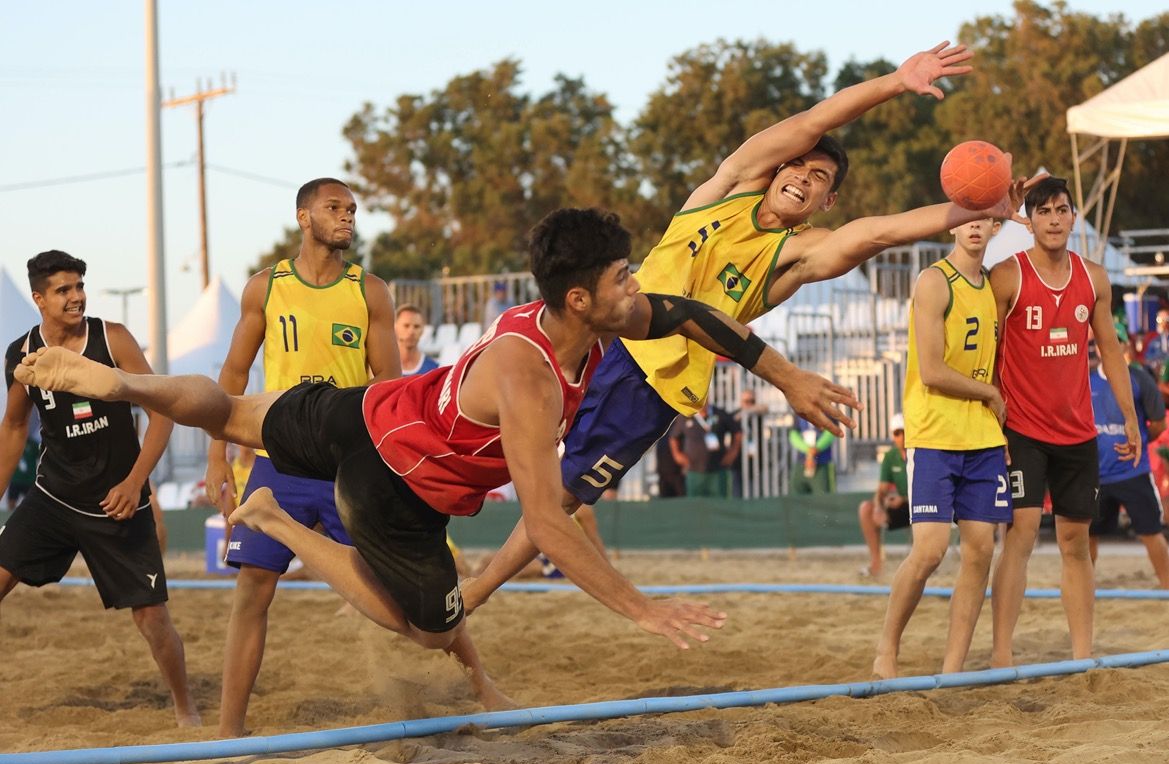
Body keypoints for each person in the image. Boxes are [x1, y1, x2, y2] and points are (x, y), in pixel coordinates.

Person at [15, 207, 859, 658]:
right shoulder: (530, 376)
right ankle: (269, 516)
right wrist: (639, 608)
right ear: (578, 300)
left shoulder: (597, 317)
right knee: (423, 630)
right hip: (393, 483)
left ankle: (129, 383)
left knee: (234, 410)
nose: (634, 288)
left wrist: (787, 376)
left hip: (374, 405)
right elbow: (549, 525)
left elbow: (691, 315)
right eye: (619, 277)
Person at [469, 42, 1038, 598]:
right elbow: (814, 120)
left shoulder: (796, 255)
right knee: (487, 432)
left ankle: (476, 590)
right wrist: (894, 82)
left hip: (650, 384)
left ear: (826, 203)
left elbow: (879, 231)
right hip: (593, 333)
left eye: (820, 178)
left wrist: (981, 209)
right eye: (798, 164)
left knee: (565, 498)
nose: (803, 176)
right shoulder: (728, 186)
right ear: (775, 169)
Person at [201, 177, 407, 737]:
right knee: (253, 592)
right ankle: (229, 731)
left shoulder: (371, 291)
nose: (346, 218)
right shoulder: (265, 288)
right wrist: (217, 455)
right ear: (303, 216)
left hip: (348, 461)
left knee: (404, 588)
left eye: (352, 210)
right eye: (334, 208)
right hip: (280, 460)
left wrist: (397, 461)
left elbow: (390, 383)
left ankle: (480, 683)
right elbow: (234, 375)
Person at [0, 250, 199, 726]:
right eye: (64, 290)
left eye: (79, 287)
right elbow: (12, 427)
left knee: (151, 618)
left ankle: (186, 708)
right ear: (39, 299)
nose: (76, 297)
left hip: (117, 503)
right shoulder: (22, 352)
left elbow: (164, 411)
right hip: (53, 496)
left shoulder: (113, 339)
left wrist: (135, 484)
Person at [989, 177, 1141, 666]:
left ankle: (1082, 656)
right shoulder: (1007, 276)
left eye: (1062, 210)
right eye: (1044, 211)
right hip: (1024, 431)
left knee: (1077, 542)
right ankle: (1001, 654)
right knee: (1024, 534)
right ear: (1028, 221)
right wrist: (993, 418)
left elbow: (1111, 351)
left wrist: (1130, 417)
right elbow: (987, 354)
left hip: (1078, 431)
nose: (1054, 219)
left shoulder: (1093, 277)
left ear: (1074, 217)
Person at [871, 217, 1012, 678]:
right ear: (953, 225)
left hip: (984, 438)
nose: (974, 228)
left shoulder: (994, 286)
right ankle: (887, 649)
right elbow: (931, 370)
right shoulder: (934, 280)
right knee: (930, 552)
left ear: (994, 227)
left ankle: (953, 671)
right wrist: (989, 393)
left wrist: (1007, 205)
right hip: (935, 434)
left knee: (980, 552)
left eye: (983, 220)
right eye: (965, 218)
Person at [1088, 339, 1169, 588]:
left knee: (1151, 531)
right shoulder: (1086, 378)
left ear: (1125, 347)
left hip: (1132, 471)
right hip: (1096, 473)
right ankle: (1083, 585)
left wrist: (1139, 442)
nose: (1107, 346)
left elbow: (1157, 423)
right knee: (1086, 535)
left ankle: (1167, 586)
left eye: (1115, 341)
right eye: (1102, 342)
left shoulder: (1139, 379)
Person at [857, 413, 909, 577]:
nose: (902, 436)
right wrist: (879, 507)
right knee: (866, 509)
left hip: (922, 507)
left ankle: (926, 564)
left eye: (904, 431)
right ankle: (876, 564)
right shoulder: (890, 456)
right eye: (897, 433)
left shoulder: (921, 453)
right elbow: (882, 490)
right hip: (903, 507)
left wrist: (905, 499)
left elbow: (932, 490)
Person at [668, 402, 738, 497]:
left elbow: (738, 432)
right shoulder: (686, 416)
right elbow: (673, 437)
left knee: (720, 504)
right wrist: (677, 455)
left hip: (718, 469)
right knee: (695, 506)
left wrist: (733, 452)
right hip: (694, 470)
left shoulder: (720, 413)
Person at [788, 418, 835, 494]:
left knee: (823, 498)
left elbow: (830, 433)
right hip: (801, 463)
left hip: (822, 464)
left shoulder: (828, 412)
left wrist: (816, 449)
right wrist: (808, 450)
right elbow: (793, 435)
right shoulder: (800, 413)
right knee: (797, 497)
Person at [396, 304, 440, 376]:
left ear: (422, 330)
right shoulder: (385, 366)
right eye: (406, 326)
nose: (411, 331)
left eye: (416, 327)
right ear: (395, 327)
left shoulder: (433, 369)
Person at [4, 436, 38, 509]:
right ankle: (12, 519)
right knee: (11, 502)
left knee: (32, 504)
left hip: (29, 480)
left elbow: (41, 457)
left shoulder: (33, 444)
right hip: (15, 479)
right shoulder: (11, 444)